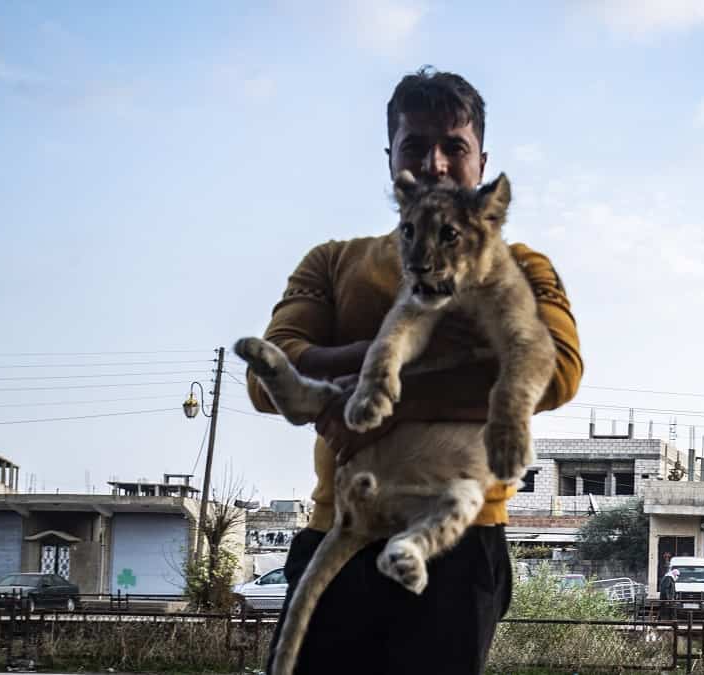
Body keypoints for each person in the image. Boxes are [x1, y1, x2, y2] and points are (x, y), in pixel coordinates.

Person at [244, 67, 583, 674]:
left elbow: (557, 371)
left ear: (481, 162)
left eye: (455, 146)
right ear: (391, 160)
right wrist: (412, 355)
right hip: (338, 525)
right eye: (415, 146)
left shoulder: (522, 265)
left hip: (455, 540)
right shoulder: (333, 262)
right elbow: (267, 372)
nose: (435, 163)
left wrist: (379, 400)